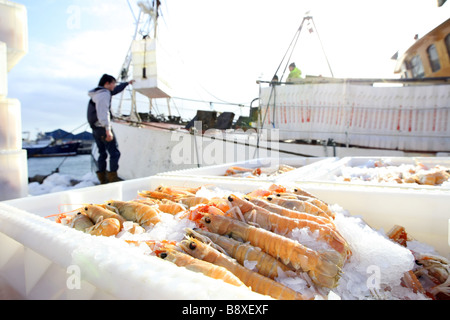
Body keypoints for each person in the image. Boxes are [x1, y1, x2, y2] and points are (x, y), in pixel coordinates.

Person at [87, 74, 134, 184]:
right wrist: (108, 130)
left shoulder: (98, 93)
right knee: (114, 153)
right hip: (103, 128)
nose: (114, 85)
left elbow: (115, 90)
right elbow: (103, 112)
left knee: (102, 154)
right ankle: (113, 178)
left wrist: (127, 83)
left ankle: (102, 178)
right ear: (107, 83)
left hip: (96, 129)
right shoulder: (104, 95)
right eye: (113, 83)